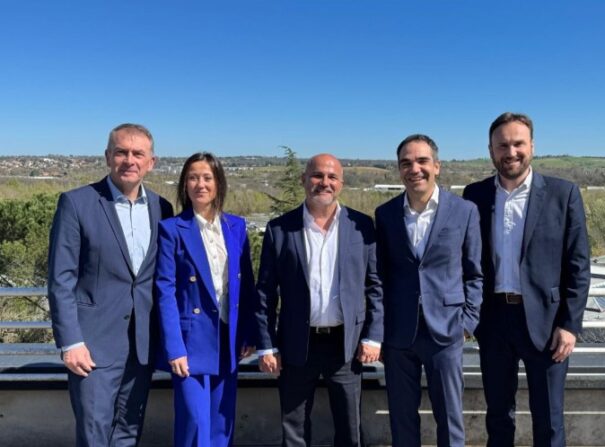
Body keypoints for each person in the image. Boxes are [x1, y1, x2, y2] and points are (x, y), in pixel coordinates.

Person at [463, 112, 590, 446]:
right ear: (490, 150)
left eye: (518, 143)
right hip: (493, 321)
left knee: (549, 420)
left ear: (532, 146)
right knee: (498, 417)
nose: (511, 152)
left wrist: (570, 325)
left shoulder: (563, 193)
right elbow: (465, 260)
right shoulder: (474, 195)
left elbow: (578, 265)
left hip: (547, 324)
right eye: (502, 145)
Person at [47, 123, 173, 446]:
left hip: (142, 345)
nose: (129, 160)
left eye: (138, 154)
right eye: (121, 152)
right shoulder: (77, 203)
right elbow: (61, 279)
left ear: (151, 162)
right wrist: (70, 342)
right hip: (92, 347)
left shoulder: (162, 208)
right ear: (107, 157)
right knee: (94, 434)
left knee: (129, 432)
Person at [255, 153, 383, 447]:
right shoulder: (280, 229)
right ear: (304, 180)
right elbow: (265, 292)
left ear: (341, 183)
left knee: (350, 428)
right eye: (317, 175)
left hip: (346, 345)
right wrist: (267, 344)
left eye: (332, 177)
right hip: (296, 343)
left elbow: (376, 286)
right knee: (294, 428)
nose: (324, 182)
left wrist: (373, 336)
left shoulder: (362, 226)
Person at [375, 134, 483, 447]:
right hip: (398, 333)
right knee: (402, 418)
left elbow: (475, 273)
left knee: (450, 418)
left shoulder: (464, 211)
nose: (414, 169)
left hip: (447, 331)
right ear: (399, 169)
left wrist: (467, 323)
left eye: (422, 161)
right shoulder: (385, 214)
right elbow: (379, 276)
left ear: (437, 166)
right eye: (406, 163)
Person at [155, 152, 258, 447]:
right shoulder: (172, 229)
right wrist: (174, 347)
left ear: (218, 183)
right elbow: (165, 291)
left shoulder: (236, 226)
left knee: (221, 424)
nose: (200, 184)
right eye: (193, 178)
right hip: (190, 340)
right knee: (194, 422)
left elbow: (246, 285)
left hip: (228, 337)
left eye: (207, 178)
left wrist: (249, 332)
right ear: (184, 185)